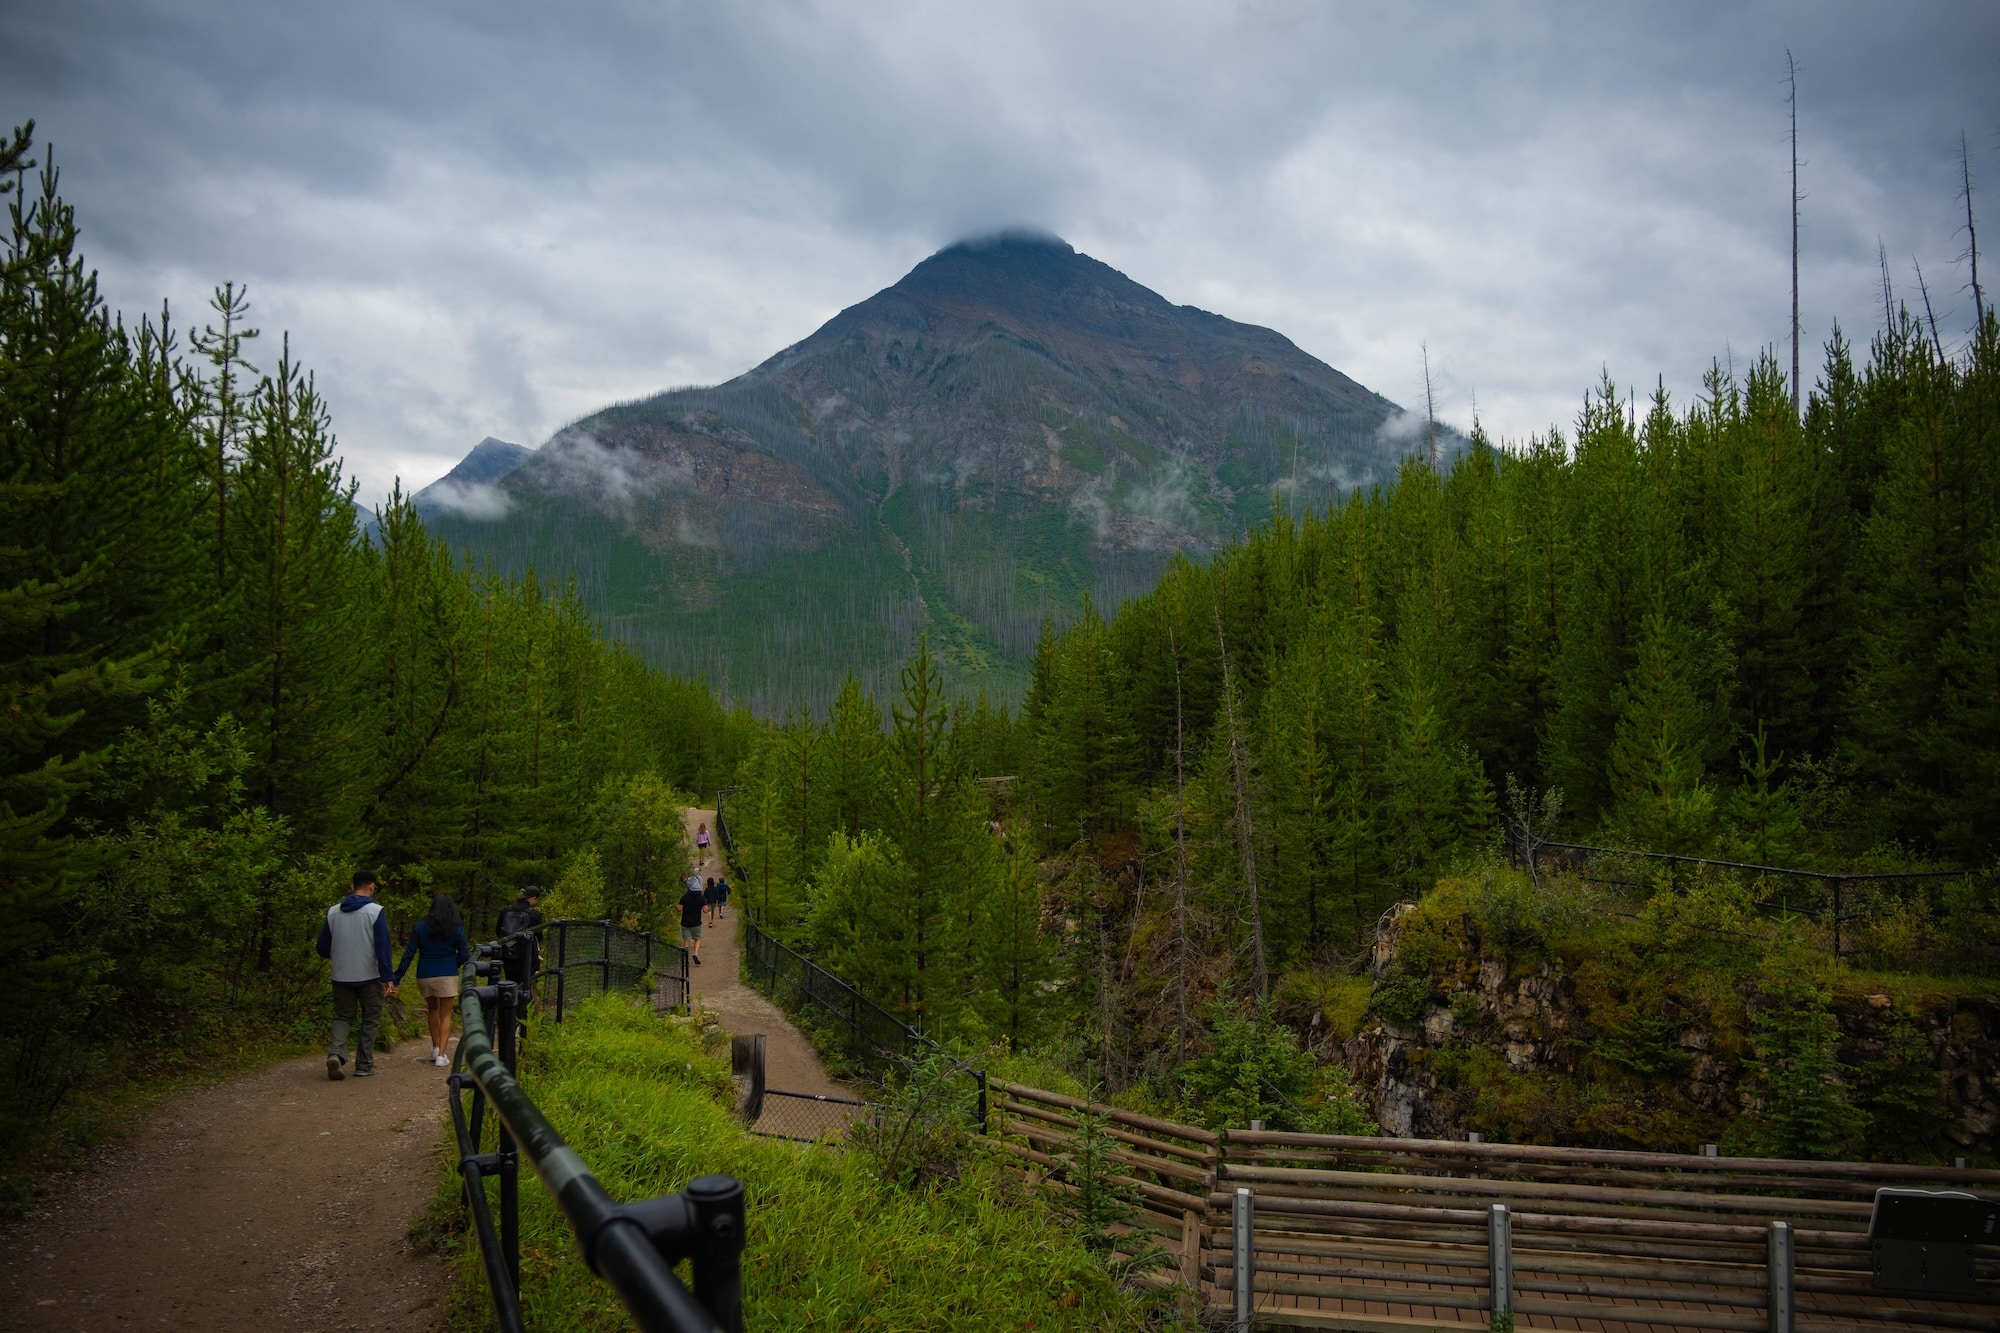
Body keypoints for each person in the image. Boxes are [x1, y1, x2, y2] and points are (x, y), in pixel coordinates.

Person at [316, 870, 397, 1081]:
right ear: (372, 886)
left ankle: (336, 1054)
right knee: (370, 1018)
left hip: (341, 974)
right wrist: (388, 977)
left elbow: (323, 947)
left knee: (343, 1016)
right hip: (369, 975)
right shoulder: (375, 912)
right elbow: (382, 947)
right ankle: (364, 1064)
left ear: (352, 887)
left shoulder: (333, 912)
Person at [393, 893, 472, 1067]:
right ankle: (442, 1056)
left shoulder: (420, 927)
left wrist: (397, 977)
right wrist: (454, 964)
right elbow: (464, 954)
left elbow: (408, 954)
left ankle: (435, 1047)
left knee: (432, 1010)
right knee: (446, 1014)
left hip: (425, 974)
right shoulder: (456, 928)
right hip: (447, 973)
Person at [495, 885, 544, 1018]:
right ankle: (523, 1019)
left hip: (508, 955)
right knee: (526, 986)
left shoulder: (506, 910)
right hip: (526, 957)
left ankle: (508, 1017)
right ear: (532, 898)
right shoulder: (534, 914)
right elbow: (539, 937)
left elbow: (499, 931)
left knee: (511, 984)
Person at [679, 874, 707, 964]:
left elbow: (679, 908)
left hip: (685, 922)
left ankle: (685, 957)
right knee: (697, 938)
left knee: (686, 940)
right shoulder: (701, 898)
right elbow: (705, 910)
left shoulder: (684, 897)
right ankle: (696, 953)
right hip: (696, 922)